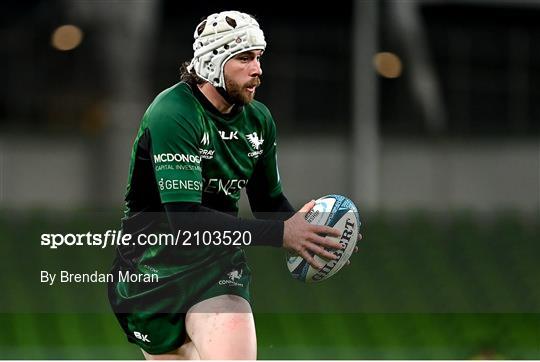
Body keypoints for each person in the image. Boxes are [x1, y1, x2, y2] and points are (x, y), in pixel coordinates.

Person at [108, 10, 360, 360]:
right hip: (149, 275)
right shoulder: (173, 113)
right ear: (213, 62)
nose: (257, 69)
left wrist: (313, 234)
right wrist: (282, 234)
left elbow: (268, 201)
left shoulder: (259, 119)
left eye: (258, 57)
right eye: (244, 58)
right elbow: (184, 221)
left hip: (217, 268)